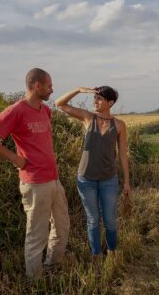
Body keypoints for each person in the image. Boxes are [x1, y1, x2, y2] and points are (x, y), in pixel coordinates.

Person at [0, 68, 70, 278]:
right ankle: (35, 281)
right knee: (37, 235)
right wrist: (14, 158)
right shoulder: (16, 110)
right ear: (37, 86)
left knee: (62, 228)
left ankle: (52, 267)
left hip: (53, 180)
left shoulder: (45, 111)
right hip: (35, 183)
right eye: (49, 85)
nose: (52, 89)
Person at [54, 86, 131, 261]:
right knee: (93, 220)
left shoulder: (119, 125)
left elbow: (123, 155)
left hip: (109, 180)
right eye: (94, 98)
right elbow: (59, 103)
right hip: (86, 180)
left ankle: (112, 253)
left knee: (110, 220)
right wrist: (77, 90)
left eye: (99, 99)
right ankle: (96, 255)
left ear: (110, 103)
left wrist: (126, 182)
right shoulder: (88, 118)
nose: (94, 102)